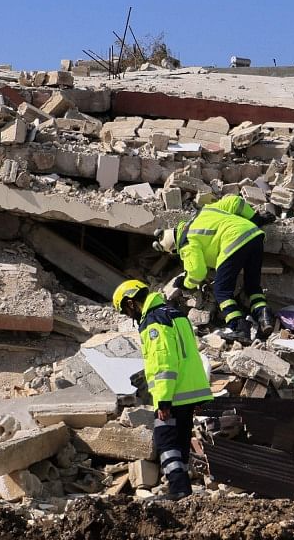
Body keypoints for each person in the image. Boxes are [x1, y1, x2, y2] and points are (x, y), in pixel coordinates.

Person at [112, 279, 212, 499]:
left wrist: (163, 401)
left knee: (165, 440)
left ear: (131, 303)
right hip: (191, 389)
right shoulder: (175, 313)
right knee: (181, 439)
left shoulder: (154, 321)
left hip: (173, 394)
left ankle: (179, 490)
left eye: (126, 311)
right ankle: (184, 490)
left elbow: (163, 363)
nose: (130, 316)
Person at [154, 194, 274, 342]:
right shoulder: (203, 213)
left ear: (174, 248)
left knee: (222, 290)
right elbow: (234, 201)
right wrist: (256, 219)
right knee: (252, 285)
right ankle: (264, 316)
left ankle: (240, 328)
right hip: (254, 234)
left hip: (233, 242)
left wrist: (184, 283)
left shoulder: (186, 243)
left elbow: (197, 273)